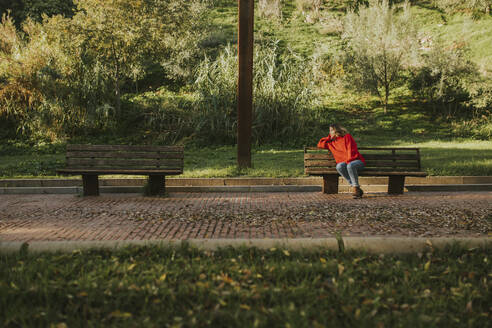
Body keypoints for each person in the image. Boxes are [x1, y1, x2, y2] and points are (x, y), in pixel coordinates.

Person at [317, 124, 365, 198]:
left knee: (350, 165)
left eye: (332, 130)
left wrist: (349, 161)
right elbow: (320, 144)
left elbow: (350, 150)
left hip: (357, 161)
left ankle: (355, 188)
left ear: (336, 130)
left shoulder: (347, 137)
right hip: (346, 164)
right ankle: (355, 187)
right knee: (339, 166)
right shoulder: (331, 143)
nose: (330, 132)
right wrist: (329, 137)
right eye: (329, 131)